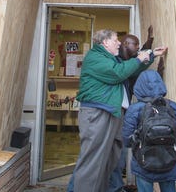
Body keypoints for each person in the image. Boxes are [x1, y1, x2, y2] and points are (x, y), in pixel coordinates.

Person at [67, 28, 167, 192]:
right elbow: (117, 73)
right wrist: (139, 58)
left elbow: (130, 70)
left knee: (108, 159)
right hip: (97, 113)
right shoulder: (96, 57)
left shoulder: (110, 58)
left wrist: (151, 55)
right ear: (105, 42)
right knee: (93, 161)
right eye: (116, 40)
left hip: (111, 112)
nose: (119, 43)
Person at [122, 70, 176, 192]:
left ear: (139, 86)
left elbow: (127, 140)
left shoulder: (134, 109)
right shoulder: (173, 106)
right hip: (170, 160)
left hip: (143, 162)